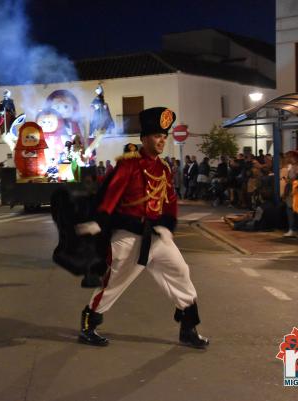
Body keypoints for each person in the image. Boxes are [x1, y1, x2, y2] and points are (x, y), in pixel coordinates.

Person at [74, 107, 209, 349]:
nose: (162, 141)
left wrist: (168, 224)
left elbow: (170, 201)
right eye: (157, 136)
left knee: (181, 272)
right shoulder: (129, 165)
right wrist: (99, 219)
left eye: (164, 136)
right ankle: (88, 323)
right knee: (115, 283)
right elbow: (111, 194)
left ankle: (188, 328)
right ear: (144, 138)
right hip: (129, 236)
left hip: (157, 236)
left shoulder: (165, 169)